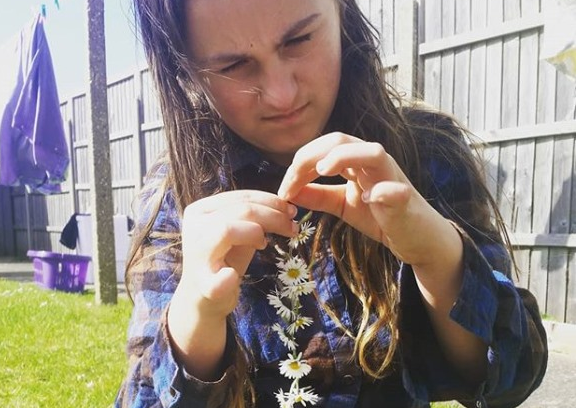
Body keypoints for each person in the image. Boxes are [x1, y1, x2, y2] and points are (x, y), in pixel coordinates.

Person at [115, 0, 548, 407]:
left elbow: (512, 375)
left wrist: (436, 257)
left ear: (342, 12)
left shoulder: (428, 155)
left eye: (299, 40)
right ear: (187, 70)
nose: (282, 94)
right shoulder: (175, 196)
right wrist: (196, 313)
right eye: (233, 65)